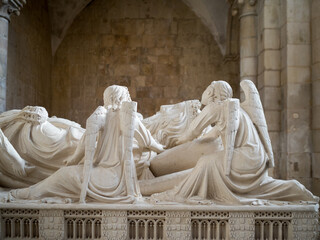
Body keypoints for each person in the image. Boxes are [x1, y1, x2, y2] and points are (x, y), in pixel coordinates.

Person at [151, 80, 319, 205]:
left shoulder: (216, 107)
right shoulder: (235, 108)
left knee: (206, 163)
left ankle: (180, 195)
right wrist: (198, 141)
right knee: (261, 187)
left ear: (213, 93)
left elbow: (191, 132)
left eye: (209, 87)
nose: (205, 89)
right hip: (256, 159)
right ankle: (295, 189)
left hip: (243, 158)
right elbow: (212, 135)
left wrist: (165, 147)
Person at [9, 85, 163, 203]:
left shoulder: (101, 115)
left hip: (104, 177)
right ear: (123, 98)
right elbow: (150, 142)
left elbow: (82, 148)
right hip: (113, 179)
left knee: (62, 176)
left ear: (108, 98)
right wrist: (162, 149)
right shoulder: (130, 117)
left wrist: (72, 163)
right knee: (62, 178)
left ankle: (24, 194)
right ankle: (25, 193)